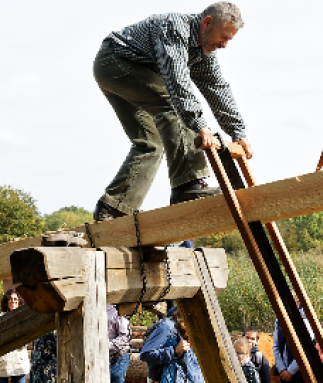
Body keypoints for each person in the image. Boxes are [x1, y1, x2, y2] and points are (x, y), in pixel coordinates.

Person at [92, 2, 252, 221]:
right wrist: (199, 125)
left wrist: (238, 132)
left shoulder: (203, 51)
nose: (224, 45)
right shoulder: (175, 28)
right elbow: (177, 82)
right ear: (207, 23)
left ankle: (114, 207)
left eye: (228, 40)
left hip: (118, 69)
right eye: (223, 37)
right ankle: (188, 186)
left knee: (151, 142)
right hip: (116, 62)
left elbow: (217, 88)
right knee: (172, 107)